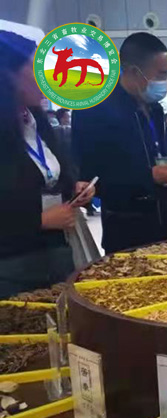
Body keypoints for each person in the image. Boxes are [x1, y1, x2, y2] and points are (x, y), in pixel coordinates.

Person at [73, 32, 167, 254]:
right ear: (134, 71)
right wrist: (148, 177)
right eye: (161, 74)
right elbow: (91, 181)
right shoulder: (93, 112)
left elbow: (163, 161)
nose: (164, 82)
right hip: (130, 232)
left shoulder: (155, 109)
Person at [0, 24, 95, 298]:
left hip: (56, 254)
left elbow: (47, 178)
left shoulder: (37, 123)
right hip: (11, 266)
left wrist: (73, 189)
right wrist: (37, 221)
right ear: (7, 75)